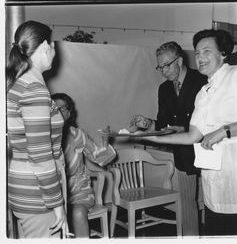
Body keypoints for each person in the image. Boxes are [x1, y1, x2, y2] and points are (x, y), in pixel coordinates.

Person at [141, 29, 237, 236]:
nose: (200, 57)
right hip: (210, 172)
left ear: (223, 52)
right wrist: (150, 135)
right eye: (197, 52)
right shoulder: (204, 93)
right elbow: (192, 135)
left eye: (206, 51)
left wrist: (224, 131)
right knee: (213, 224)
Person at [130, 41, 207, 236]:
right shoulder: (164, 89)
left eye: (167, 65)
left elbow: (214, 120)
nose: (163, 70)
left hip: (208, 148)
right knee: (187, 204)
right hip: (183, 152)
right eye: (160, 67)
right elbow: (163, 122)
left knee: (214, 204)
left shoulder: (203, 80)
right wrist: (148, 124)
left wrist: (186, 128)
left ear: (180, 60)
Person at [6, 20, 68, 238]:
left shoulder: (19, 83)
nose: (54, 52)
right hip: (37, 195)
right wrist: (57, 204)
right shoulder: (34, 89)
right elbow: (40, 156)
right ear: (44, 46)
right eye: (52, 46)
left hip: (23, 190)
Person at [51, 93, 116, 238]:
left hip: (79, 193)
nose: (60, 112)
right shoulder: (43, 137)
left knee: (78, 213)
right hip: (52, 195)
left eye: (64, 108)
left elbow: (100, 158)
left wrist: (105, 142)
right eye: (55, 108)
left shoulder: (77, 134)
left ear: (69, 113)